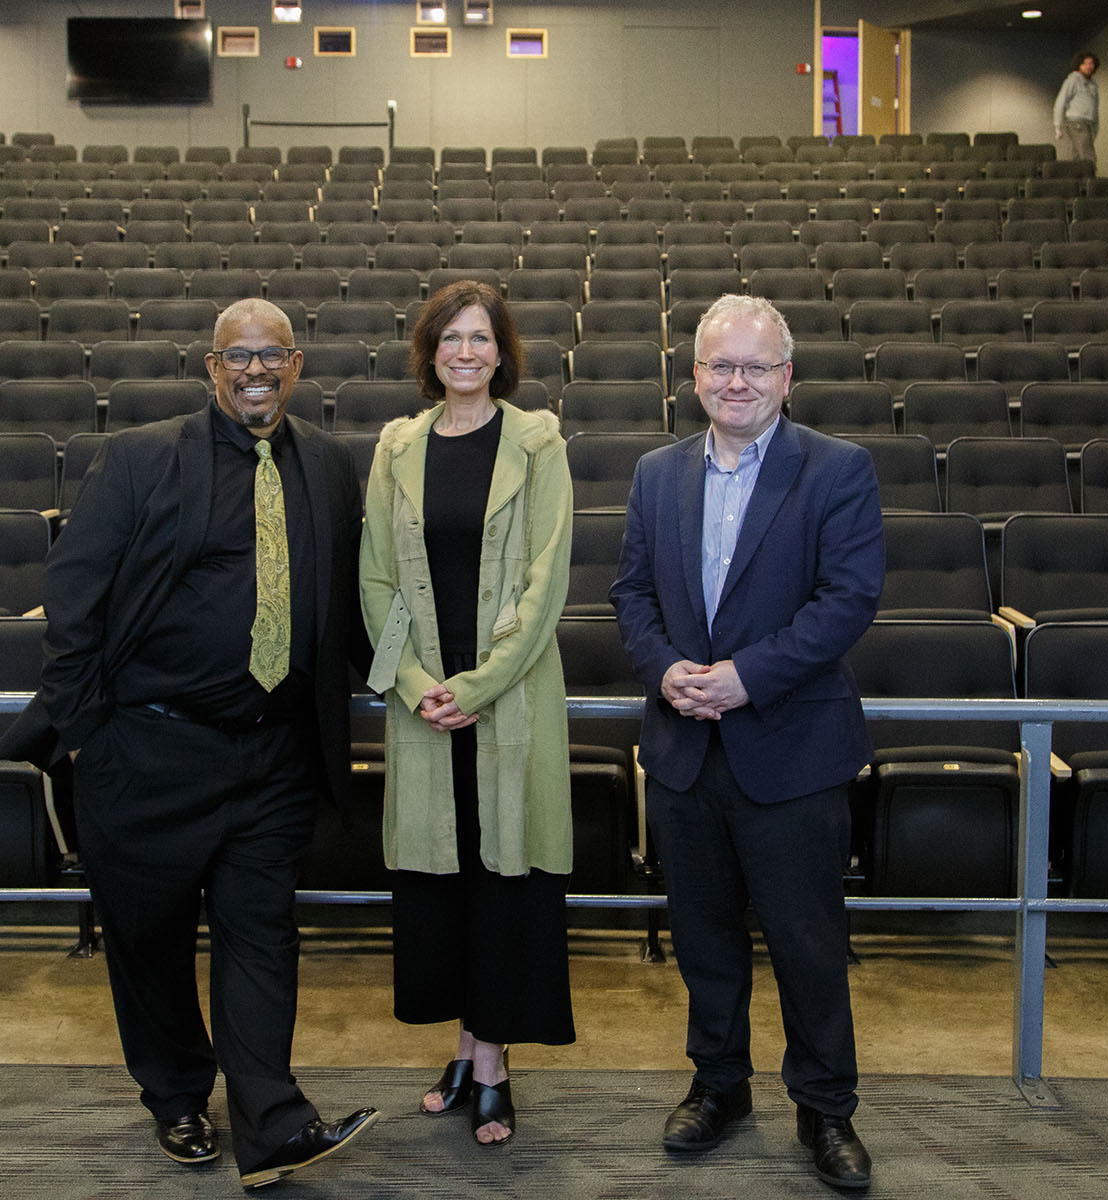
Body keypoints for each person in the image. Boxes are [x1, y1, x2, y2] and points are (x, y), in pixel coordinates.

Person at [33, 297, 378, 1189]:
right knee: (147, 943)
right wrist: (89, 738)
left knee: (262, 935)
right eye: (240, 356)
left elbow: (353, 601)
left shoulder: (334, 465)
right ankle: (178, 1096)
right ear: (212, 366)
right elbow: (74, 599)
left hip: (272, 754)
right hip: (148, 752)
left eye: (275, 355)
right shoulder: (141, 458)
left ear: (298, 366)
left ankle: (272, 1123)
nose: (257, 371)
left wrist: (425, 674)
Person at [610, 294, 885, 1191]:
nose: (736, 381)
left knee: (808, 943)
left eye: (754, 367)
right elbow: (631, 596)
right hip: (686, 750)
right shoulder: (656, 474)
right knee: (704, 940)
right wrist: (667, 672)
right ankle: (719, 1086)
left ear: (787, 378)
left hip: (792, 751)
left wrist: (745, 677)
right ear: (693, 376)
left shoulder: (837, 470)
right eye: (719, 365)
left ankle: (826, 1108)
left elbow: (847, 602)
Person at [358, 281, 576, 1147]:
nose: (465, 353)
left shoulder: (538, 439)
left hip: (509, 700)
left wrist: (476, 685)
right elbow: (375, 578)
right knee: (442, 888)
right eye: (450, 338)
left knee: (503, 885)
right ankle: (466, 1048)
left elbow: (546, 578)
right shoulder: (396, 446)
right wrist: (418, 687)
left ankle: (492, 1068)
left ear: (502, 351)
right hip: (427, 710)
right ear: (429, 351)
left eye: (480, 338)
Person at [1053, 50, 1100, 164]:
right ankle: (1091, 180)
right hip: (1076, 122)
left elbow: (1095, 106)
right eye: (1085, 64)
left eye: (1091, 63)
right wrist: (1057, 125)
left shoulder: (1093, 84)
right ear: (1079, 65)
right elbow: (1061, 101)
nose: (1089, 66)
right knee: (1088, 156)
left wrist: (1096, 125)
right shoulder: (1073, 80)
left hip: (1089, 123)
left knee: (1078, 156)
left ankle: (1076, 180)